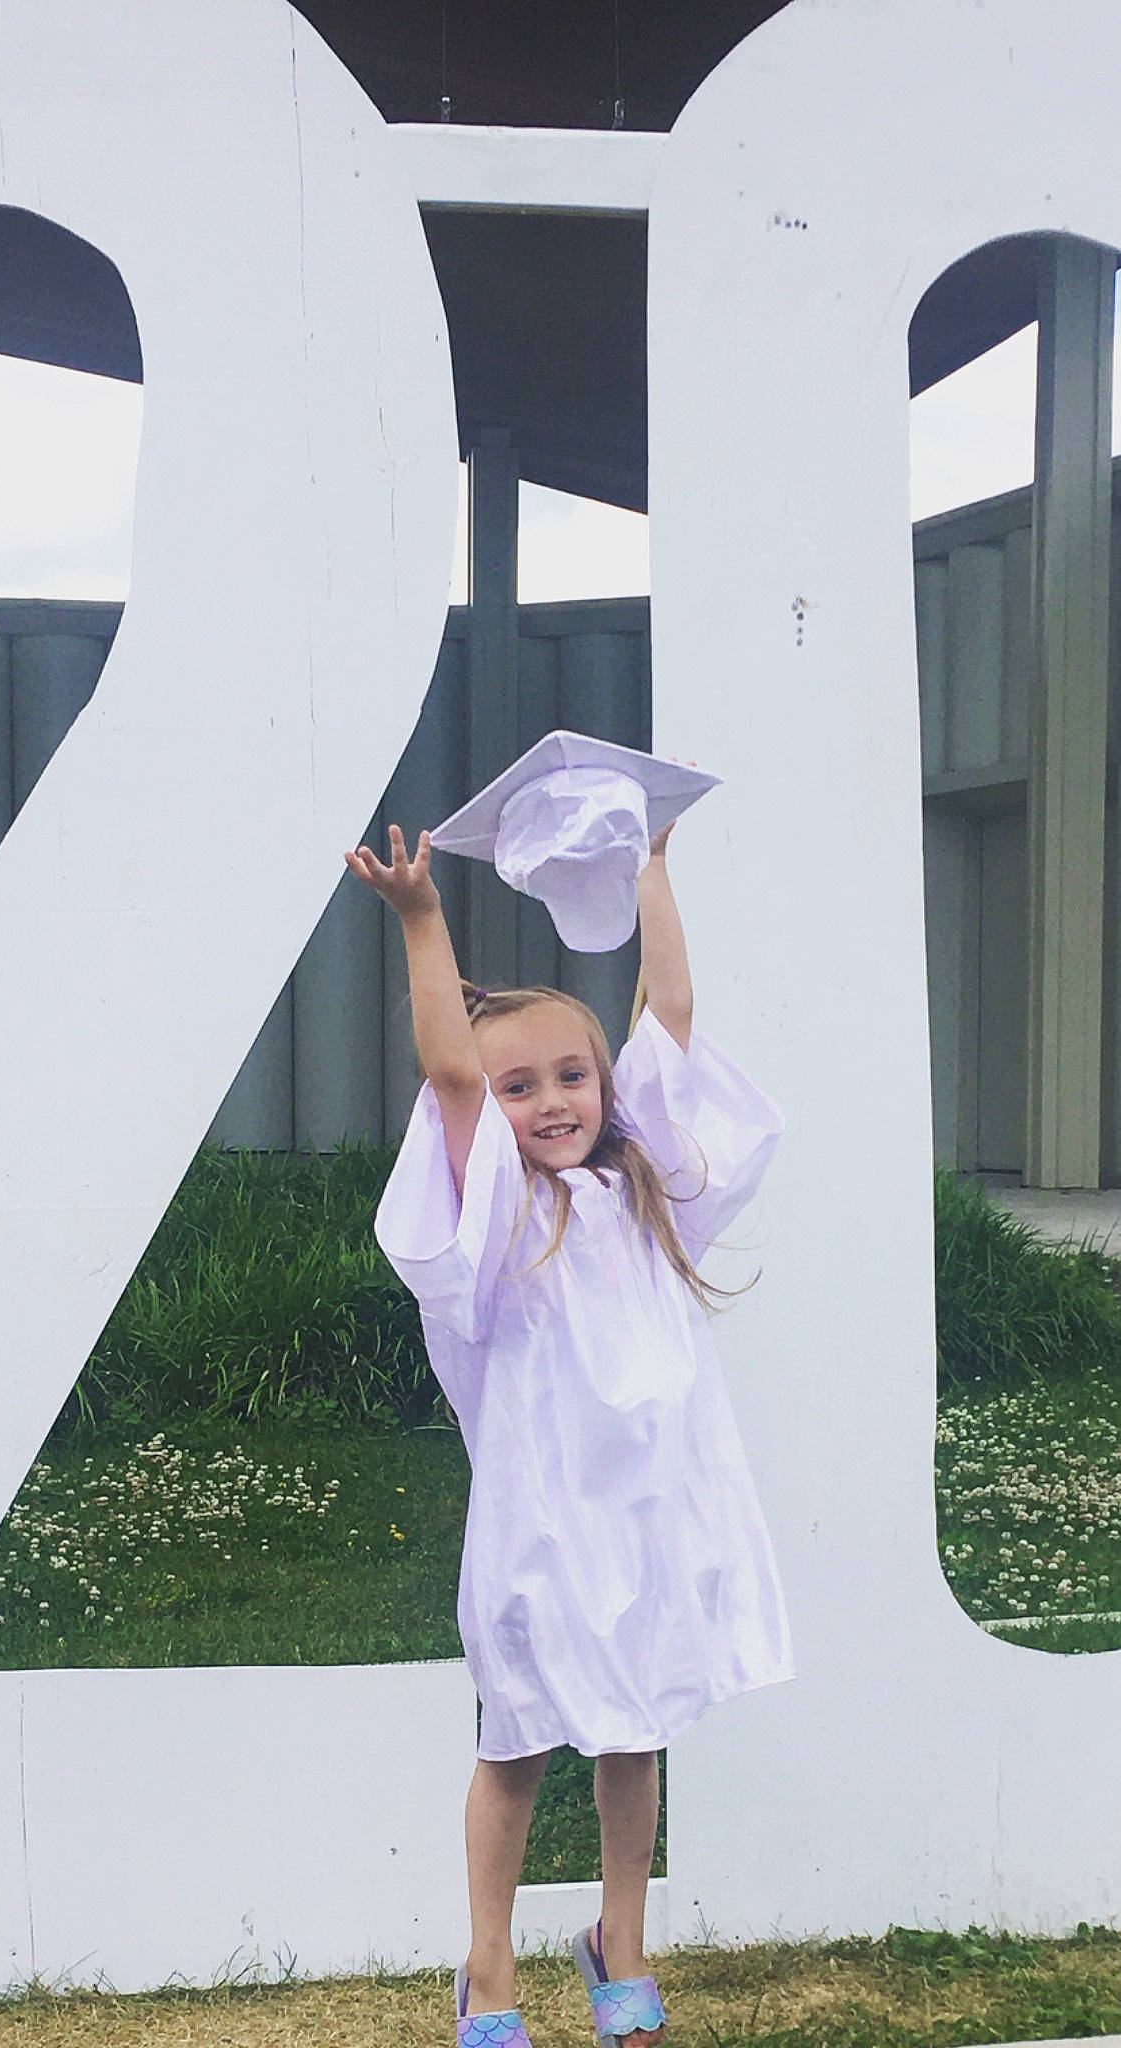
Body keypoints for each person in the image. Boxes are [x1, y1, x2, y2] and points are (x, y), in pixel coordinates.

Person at [346, 801, 793, 2048]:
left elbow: (672, 1014)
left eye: (569, 1073)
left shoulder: (643, 1190)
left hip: (648, 1517)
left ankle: (620, 1939)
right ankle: (487, 1965)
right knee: (518, 1742)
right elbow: (446, 1069)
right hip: (543, 1528)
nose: (550, 1099)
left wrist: (648, 863)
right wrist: (423, 917)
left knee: (633, 1736)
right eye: (518, 1085)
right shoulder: (490, 1216)